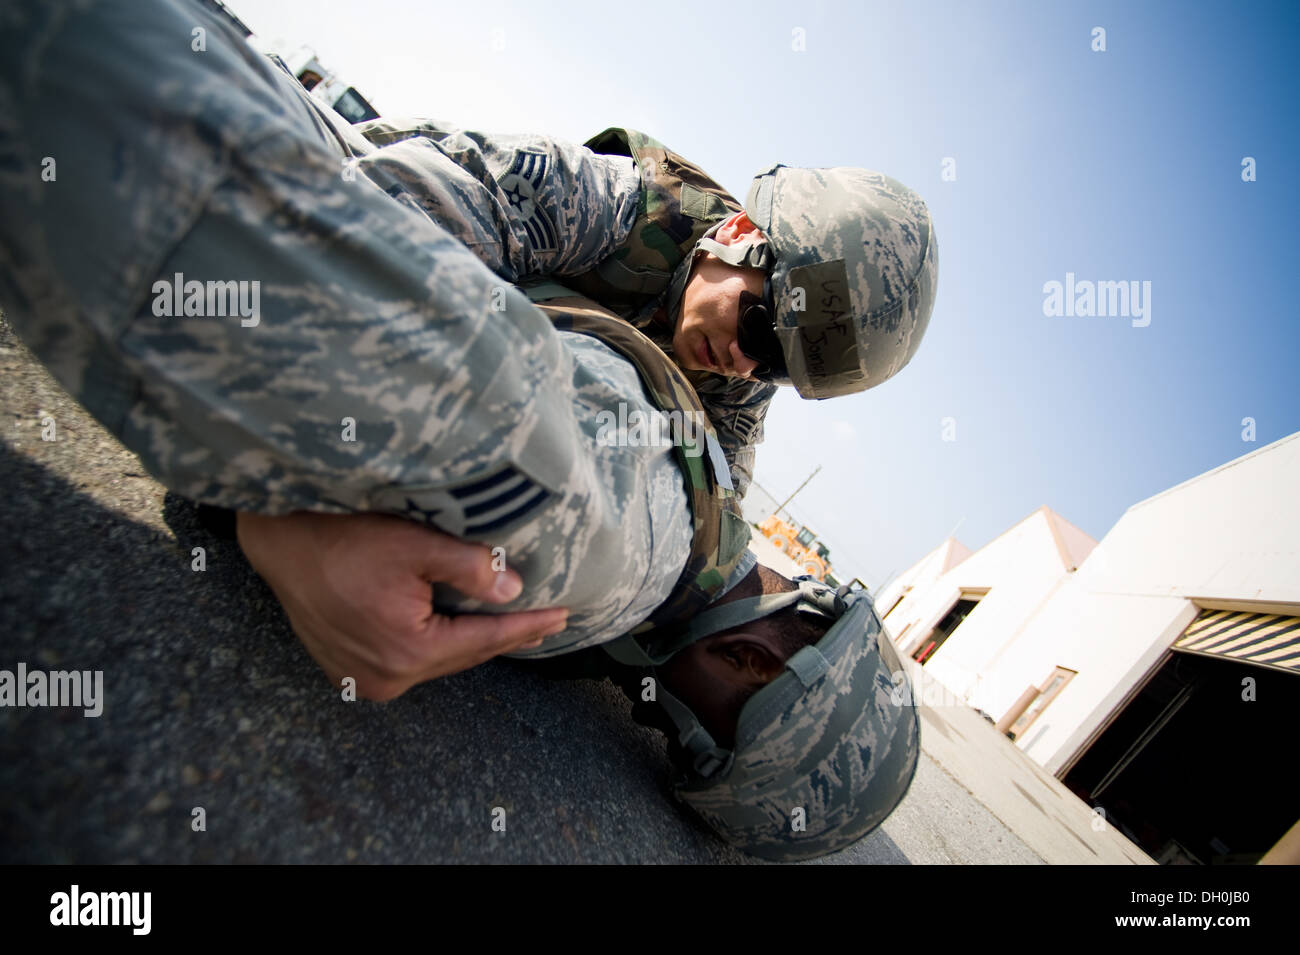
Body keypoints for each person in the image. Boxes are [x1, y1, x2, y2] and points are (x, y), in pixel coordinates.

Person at [0, 0, 926, 858]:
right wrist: (276, 518)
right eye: (763, 330)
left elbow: (697, 504)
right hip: (347, 167)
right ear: (733, 234)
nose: (750, 365)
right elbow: (374, 223)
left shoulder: (724, 414)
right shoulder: (606, 203)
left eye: (780, 371)